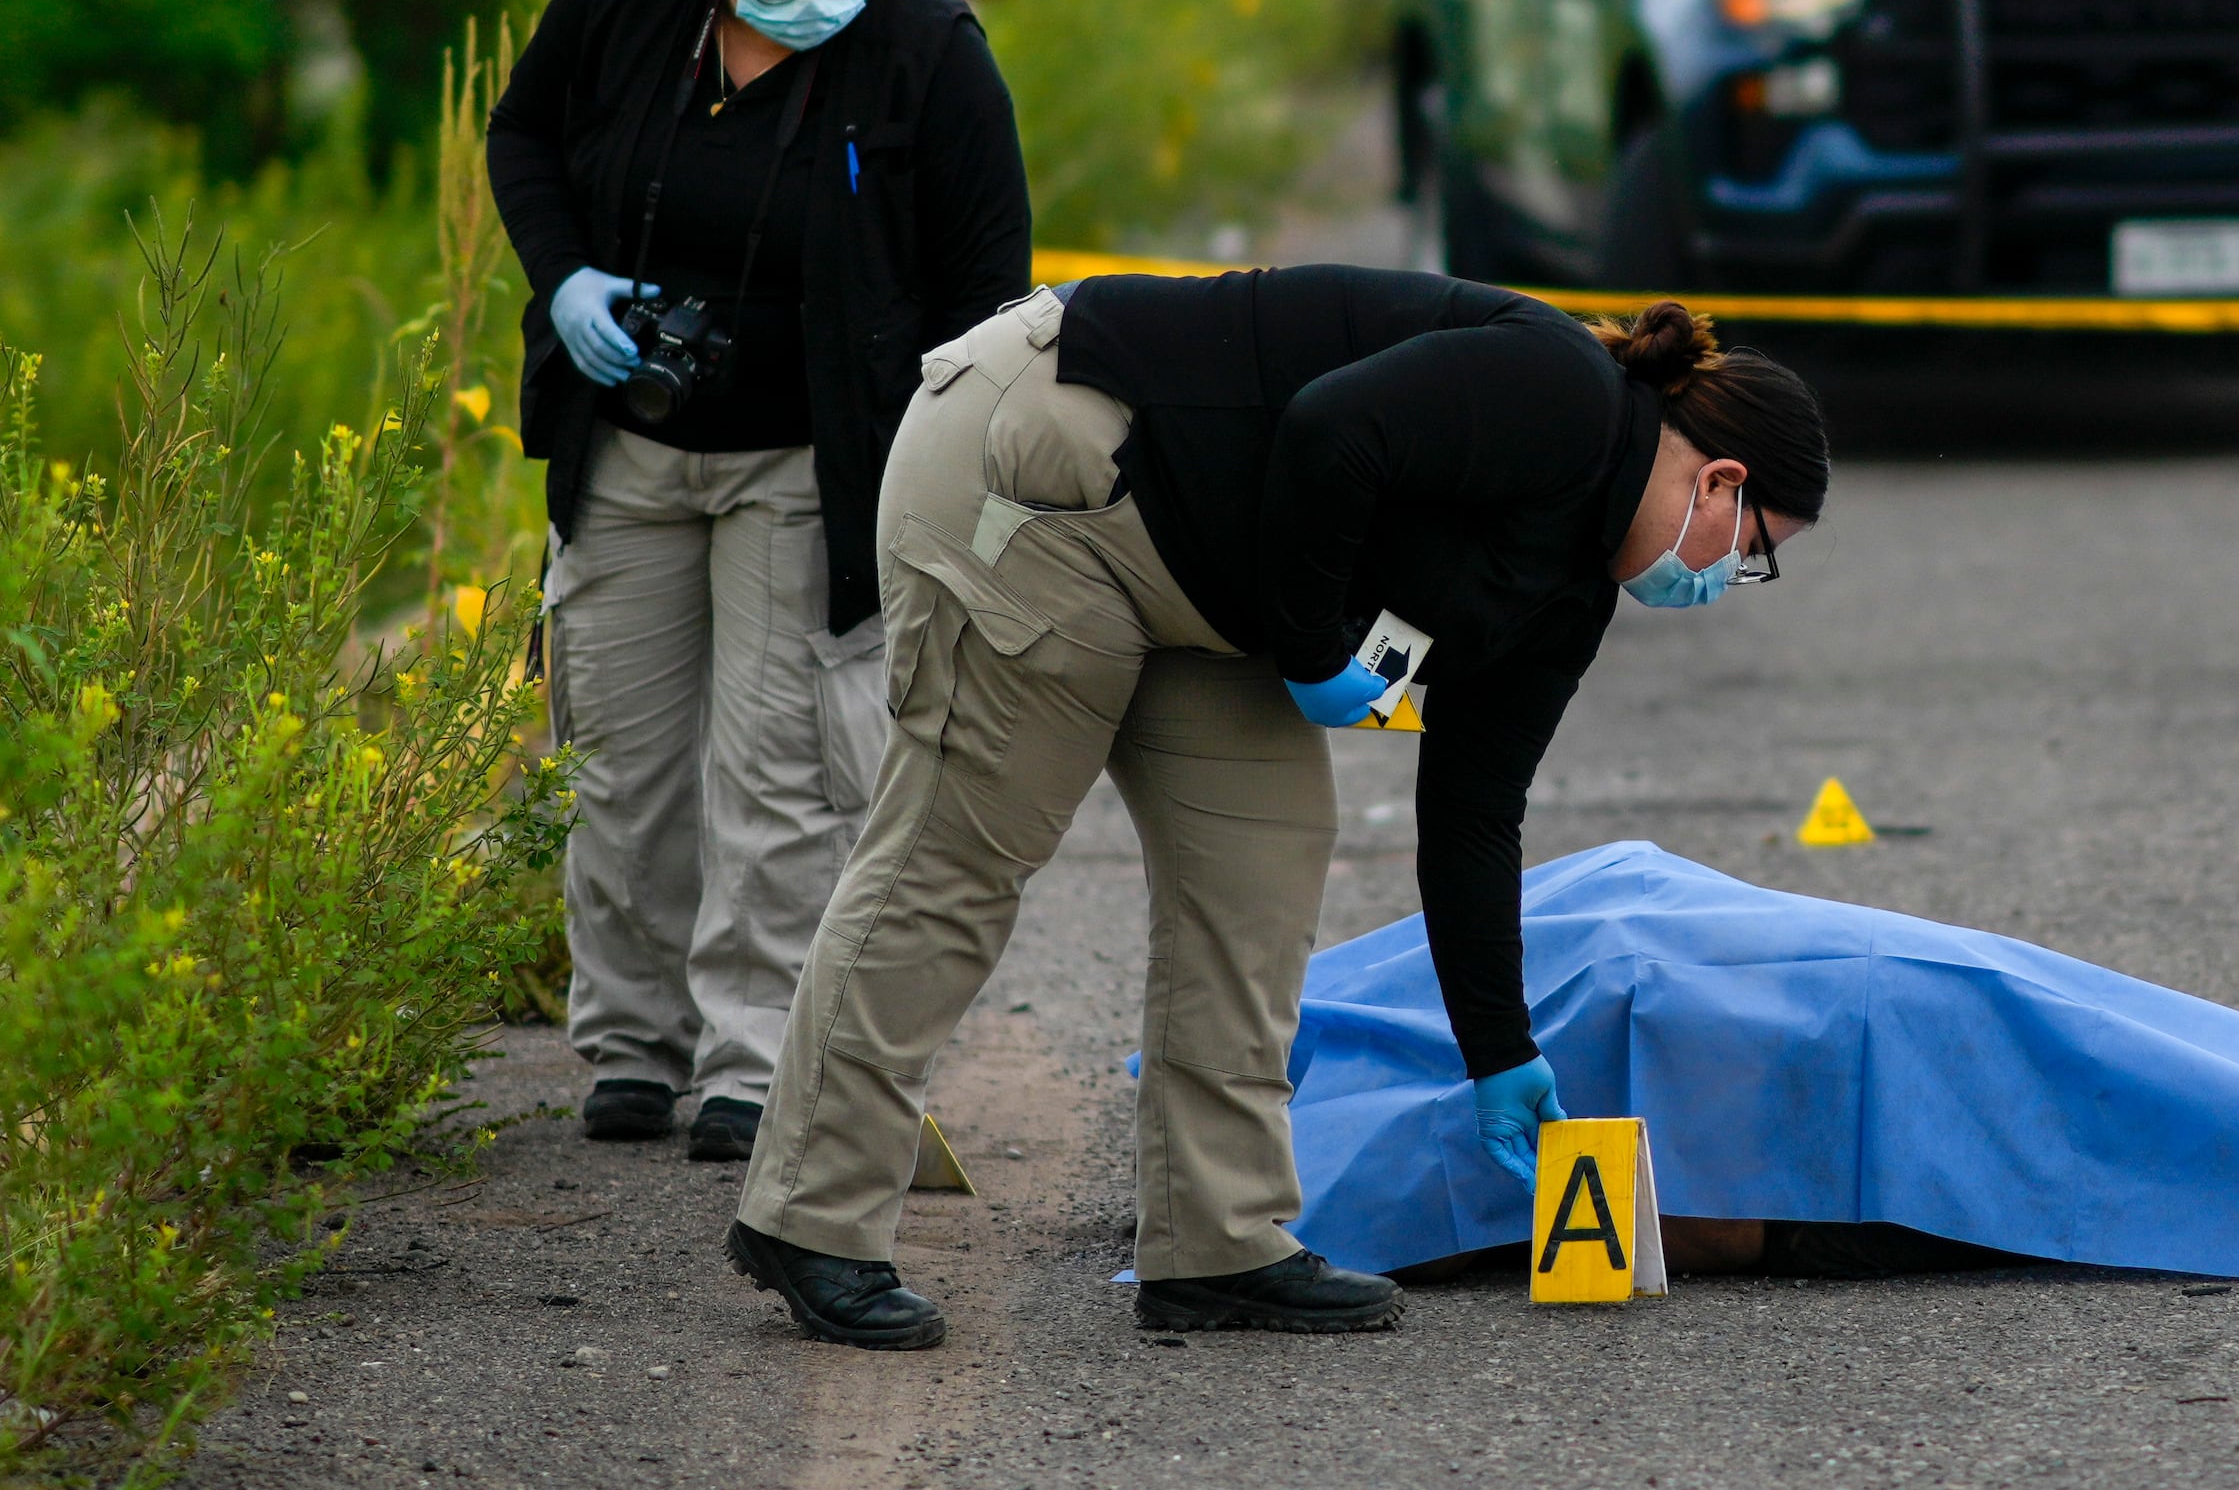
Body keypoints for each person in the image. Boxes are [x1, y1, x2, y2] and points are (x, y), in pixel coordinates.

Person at [725, 269, 1830, 1349]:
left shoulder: (1565, 597)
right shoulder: (1562, 394)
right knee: (959, 856)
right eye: (1753, 553)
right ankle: (809, 1216)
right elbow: (1330, 430)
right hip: (1049, 463)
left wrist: (1499, 1049)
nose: (1727, 577)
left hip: (1213, 572)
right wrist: (1309, 653)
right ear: (1719, 482)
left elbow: (1475, 810)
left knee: (1259, 864)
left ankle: (1215, 1243)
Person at [484, 0, 1034, 1165]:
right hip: (632, 446)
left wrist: (951, 496)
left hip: (811, 462)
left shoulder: (927, 51)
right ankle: (627, 1040)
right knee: (617, 762)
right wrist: (565, 284)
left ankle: (748, 1060)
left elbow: (991, 290)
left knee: (780, 774)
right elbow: (526, 132)